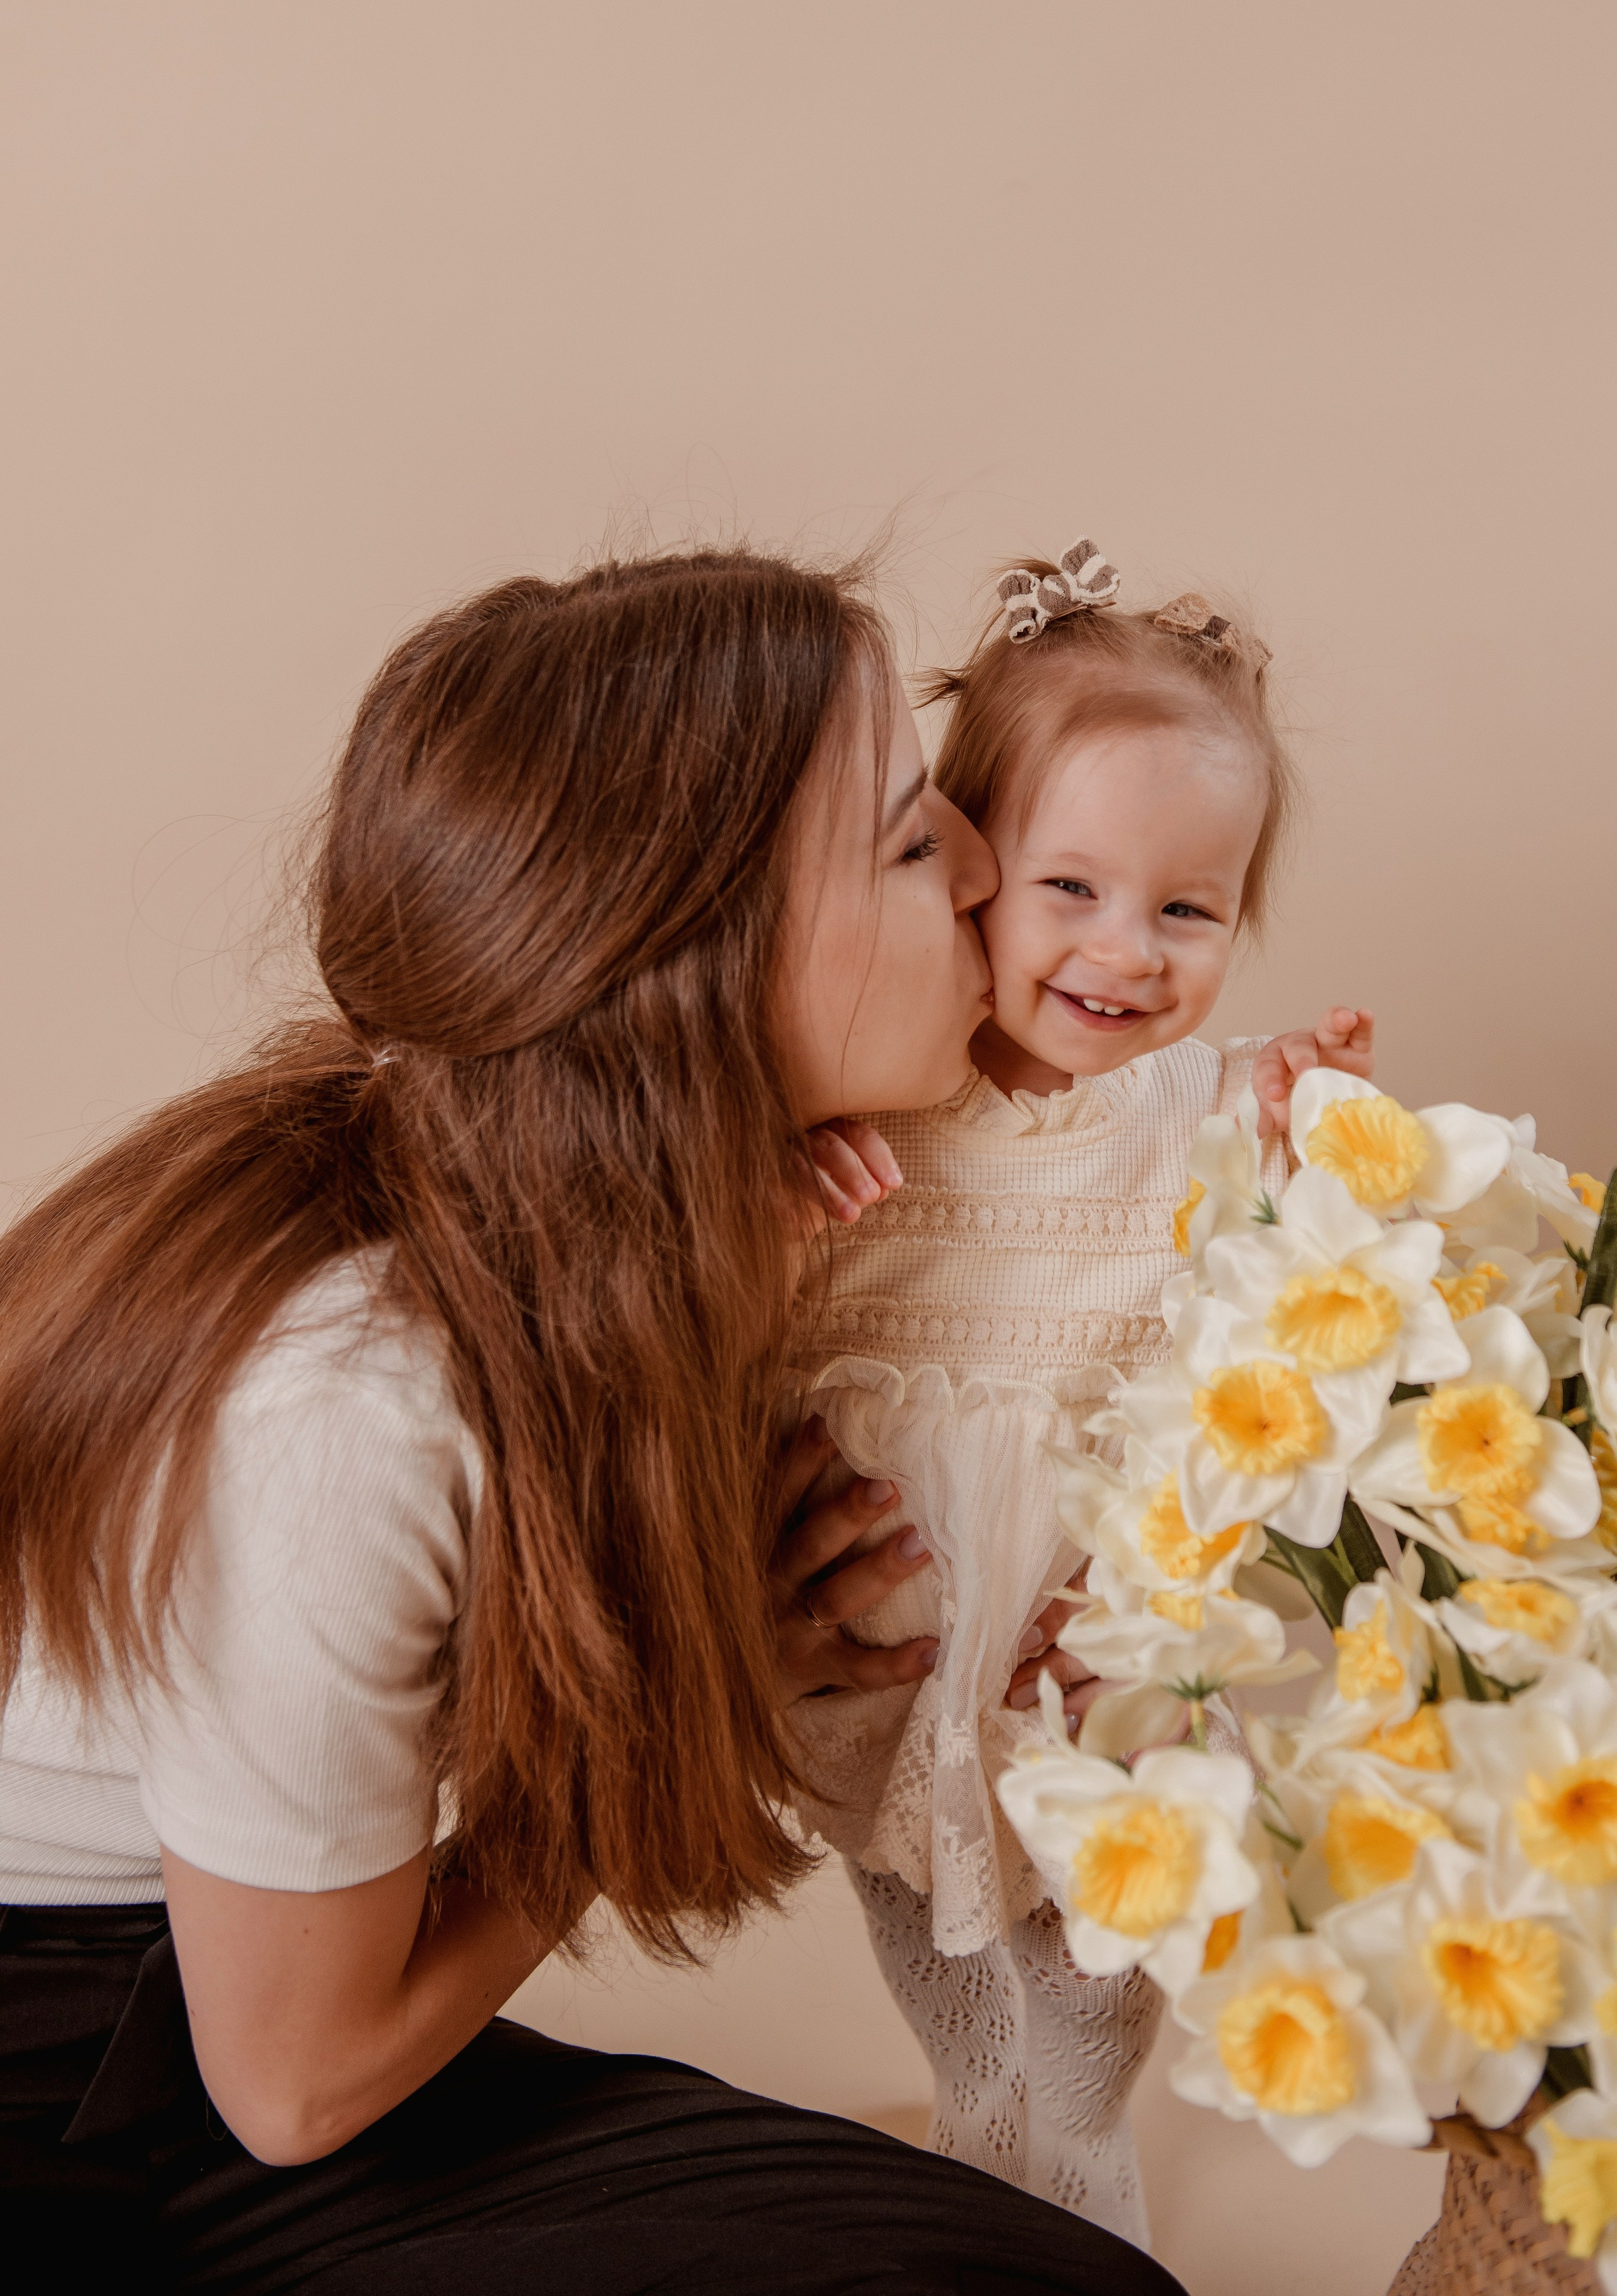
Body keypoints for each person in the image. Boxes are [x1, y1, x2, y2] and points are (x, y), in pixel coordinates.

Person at [0, 549, 1184, 2293]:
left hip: (217, 1991)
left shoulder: (633, 1228)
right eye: (907, 840)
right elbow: (296, 2085)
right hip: (94, 2052)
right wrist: (715, 1666)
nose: (986, 866)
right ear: (707, 966)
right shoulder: (355, 1401)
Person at [786, 539, 1374, 2241]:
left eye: (1189, 908)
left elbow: (1292, 1279)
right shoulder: (873, 1097)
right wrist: (778, 1173)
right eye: (1074, 889)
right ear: (968, 870)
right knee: (923, 1905)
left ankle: (1081, 2152)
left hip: (1099, 1626)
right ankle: (977, 2120)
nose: (1129, 952)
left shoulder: (1196, 1106)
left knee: (1103, 1941)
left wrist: (1301, 1123)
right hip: (897, 1621)